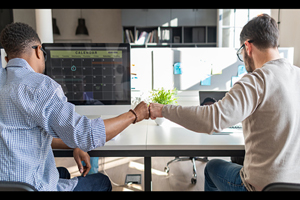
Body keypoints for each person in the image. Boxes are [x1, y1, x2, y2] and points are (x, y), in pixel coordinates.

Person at [149, 14, 300, 191]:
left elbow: (211, 120)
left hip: (261, 188)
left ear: (248, 47)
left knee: (212, 168)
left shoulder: (256, 81)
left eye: (241, 53)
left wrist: (162, 110)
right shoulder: (297, 74)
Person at [0, 22, 149, 191]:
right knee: (102, 181)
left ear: (7, 58)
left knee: (62, 172)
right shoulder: (40, 86)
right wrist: (134, 115)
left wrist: (75, 143)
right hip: (33, 187)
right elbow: (88, 134)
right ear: (37, 51)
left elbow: (29, 136)